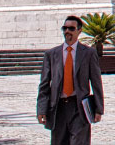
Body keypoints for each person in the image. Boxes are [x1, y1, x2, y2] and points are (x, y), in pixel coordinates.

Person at [36, 14, 104, 145]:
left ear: (79, 31)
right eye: (65, 28)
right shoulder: (51, 54)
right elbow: (44, 85)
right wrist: (41, 110)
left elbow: (96, 83)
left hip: (79, 108)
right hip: (58, 108)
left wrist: (98, 109)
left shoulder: (88, 53)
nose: (67, 31)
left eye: (71, 29)